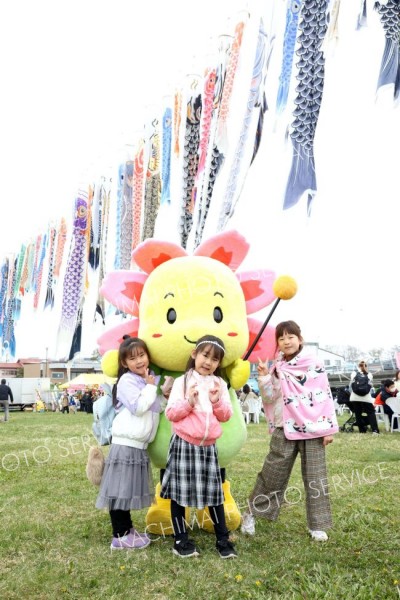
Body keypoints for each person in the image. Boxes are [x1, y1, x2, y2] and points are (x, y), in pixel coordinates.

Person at [241, 320, 338, 542]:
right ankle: (252, 513)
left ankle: (317, 525)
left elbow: (324, 395)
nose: (286, 341)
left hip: (313, 427)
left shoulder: (314, 364)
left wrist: (329, 429)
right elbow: (269, 397)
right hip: (284, 425)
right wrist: (264, 376)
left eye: (290, 336)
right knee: (272, 473)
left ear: (300, 339)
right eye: (281, 338)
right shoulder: (277, 367)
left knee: (316, 477)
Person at [160, 334, 237, 559]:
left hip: (208, 446)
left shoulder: (219, 384)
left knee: (214, 494)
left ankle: (223, 539)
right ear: (194, 354)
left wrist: (216, 401)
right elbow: (171, 413)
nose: (208, 362)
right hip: (184, 444)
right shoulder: (182, 382)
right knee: (179, 493)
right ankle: (180, 539)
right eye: (205, 355)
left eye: (214, 359)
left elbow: (226, 415)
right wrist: (189, 402)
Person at [96, 336, 165, 550]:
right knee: (119, 490)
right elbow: (138, 407)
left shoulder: (145, 379)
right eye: (132, 358)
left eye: (142, 355)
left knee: (124, 489)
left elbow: (156, 408)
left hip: (137, 444)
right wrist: (152, 387)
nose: (139, 361)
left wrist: (162, 394)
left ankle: (127, 531)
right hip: (126, 443)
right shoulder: (127, 380)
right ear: (125, 363)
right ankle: (120, 535)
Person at [349, 361, 379, 434]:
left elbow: (351, 384)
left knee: (358, 413)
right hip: (366, 397)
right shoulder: (369, 374)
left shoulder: (353, 373)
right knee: (371, 412)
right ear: (366, 366)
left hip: (355, 397)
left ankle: (362, 430)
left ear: (358, 366)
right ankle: (375, 430)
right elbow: (370, 384)